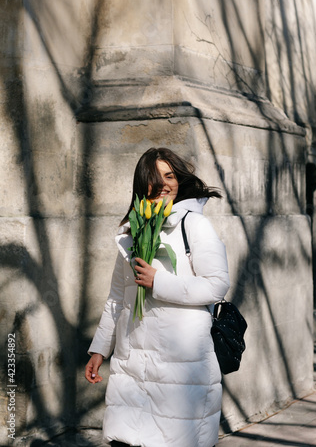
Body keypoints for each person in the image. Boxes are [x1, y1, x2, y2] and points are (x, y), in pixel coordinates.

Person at [85, 147, 230, 447]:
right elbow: (116, 298)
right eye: (156, 177)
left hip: (179, 366)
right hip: (132, 363)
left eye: (170, 175)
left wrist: (159, 282)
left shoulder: (194, 225)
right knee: (127, 439)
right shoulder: (130, 233)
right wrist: (100, 350)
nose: (165, 184)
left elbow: (217, 284)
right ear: (142, 184)